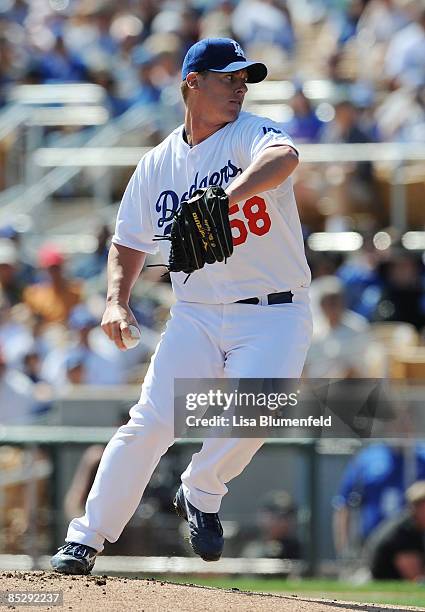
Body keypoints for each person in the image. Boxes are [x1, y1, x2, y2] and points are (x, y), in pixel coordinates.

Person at [50, 37, 312, 575]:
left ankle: (201, 488)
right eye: (228, 77)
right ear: (191, 83)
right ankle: (87, 538)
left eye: (246, 78)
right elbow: (128, 242)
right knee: (149, 423)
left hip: (273, 311)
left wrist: (226, 197)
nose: (241, 86)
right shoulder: (157, 164)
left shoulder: (248, 132)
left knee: (258, 408)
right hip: (195, 312)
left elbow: (284, 157)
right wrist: (115, 303)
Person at [368, 480, 425, 581]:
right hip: (384, 591)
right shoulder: (404, 532)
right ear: (416, 507)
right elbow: (416, 578)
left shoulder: (414, 527)